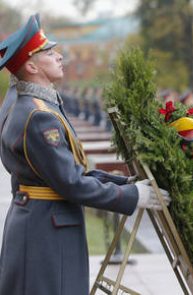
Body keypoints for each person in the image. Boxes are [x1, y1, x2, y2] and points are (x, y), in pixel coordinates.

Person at [0, 14, 170, 295]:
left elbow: (69, 171)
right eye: (48, 52)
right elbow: (72, 183)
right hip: (47, 234)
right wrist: (132, 197)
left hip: (40, 224)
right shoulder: (38, 115)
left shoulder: (31, 104)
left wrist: (124, 184)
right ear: (30, 66)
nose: (59, 56)